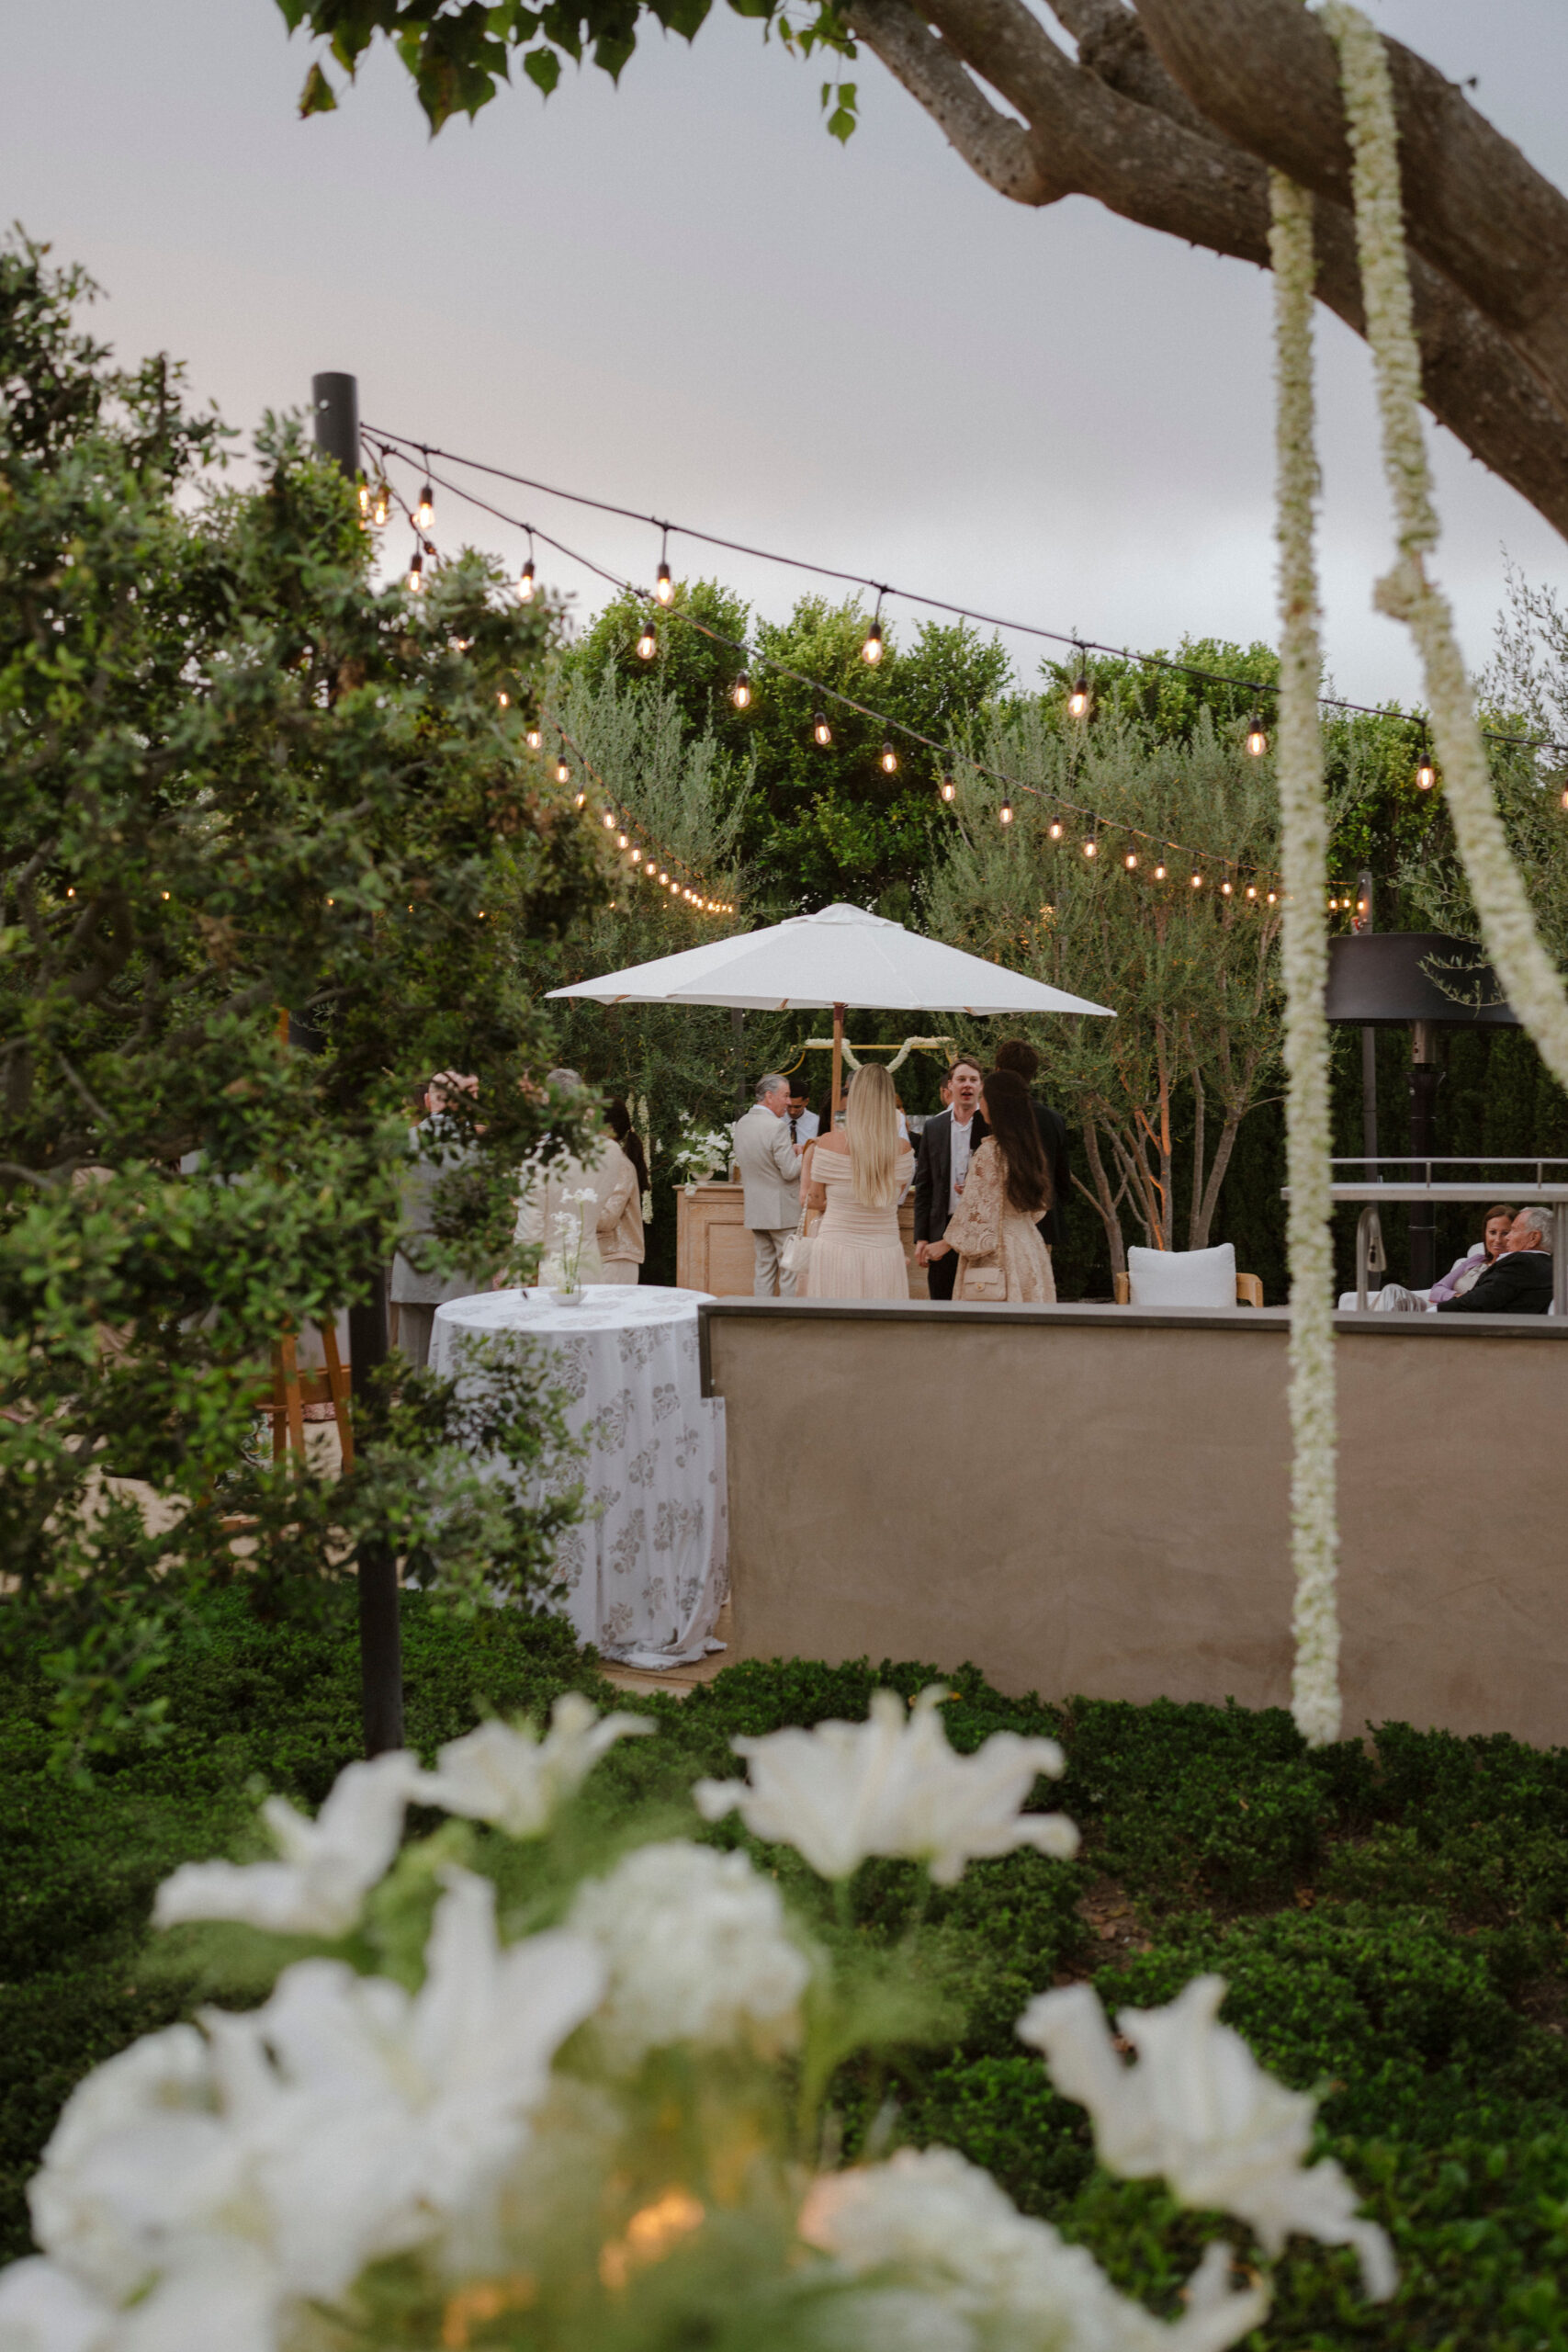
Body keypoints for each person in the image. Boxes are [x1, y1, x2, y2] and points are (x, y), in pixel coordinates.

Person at [924, 1067, 1055, 1303]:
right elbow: (1038, 1207)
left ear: (996, 1105)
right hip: (1028, 1247)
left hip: (999, 1254)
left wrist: (945, 1244)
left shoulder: (990, 1151)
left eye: (984, 1097)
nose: (980, 1102)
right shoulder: (1029, 1149)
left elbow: (979, 1211)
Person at [798, 1062, 915, 1300]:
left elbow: (815, 1199)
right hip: (885, 1250)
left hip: (836, 1247)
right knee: (880, 1329)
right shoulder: (903, 1149)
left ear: (855, 1096)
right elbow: (892, 1195)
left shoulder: (828, 1142)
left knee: (835, 1330)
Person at [514, 1070, 642, 1288]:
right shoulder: (610, 1150)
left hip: (552, 1269)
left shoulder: (540, 1155)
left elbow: (530, 1228)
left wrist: (519, 1276)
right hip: (591, 1264)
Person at [391, 1070, 484, 1368]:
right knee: (460, 1365)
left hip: (412, 1264)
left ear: (429, 1101)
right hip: (462, 1273)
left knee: (414, 1363)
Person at [912, 1053, 985, 1301]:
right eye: (961, 1079)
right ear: (950, 1086)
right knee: (941, 1304)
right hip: (942, 1231)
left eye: (973, 1080)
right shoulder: (935, 1127)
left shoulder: (990, 1126)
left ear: (980, 1087)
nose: (967, 1084)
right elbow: (925, 1185)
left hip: (978, 1231)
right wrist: (921, 1236)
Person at [991, 1038, 1071, 1256]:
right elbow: (1063, 1182)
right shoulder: (1053, 1120)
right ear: (1032, 1075)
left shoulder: (990, 1118)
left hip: (996, 1231)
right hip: (1041, 1228)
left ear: (998, 1071)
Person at [731, 1072, 805, 1297]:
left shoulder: (742, 1124)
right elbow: (790, 1172)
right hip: (783, 1211)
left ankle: (759, 1318)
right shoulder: (777, 1127)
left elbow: (763, 1161)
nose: (789, 1102)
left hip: (756, 1210)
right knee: (789, 1271)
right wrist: (806, 1153)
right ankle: (787, 1322)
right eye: (786, 1095)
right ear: (769, 1096)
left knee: (763, 1269)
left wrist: (790, 1154)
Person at [1436, 1204, 1555, 1314]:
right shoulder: (1550, 1267)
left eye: (1513, 1230)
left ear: (1533, 1238)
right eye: (1493, 1232)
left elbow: (1479, 1301)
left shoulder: (1521, 1262)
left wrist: (1432, 1313)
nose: (1507, 1237)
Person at [600, 1099, 649, 1283]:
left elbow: (607, 1219)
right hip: (606, 1257)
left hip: (616, 1258)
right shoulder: (607, 1163)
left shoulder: (620, 1165)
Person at [1429, 1204, 1514, 1304]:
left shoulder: (1512, 1269)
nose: (1497, 1240)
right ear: (1485, 1233)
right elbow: (1436, 1290)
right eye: (1492, 1232)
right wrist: (1459, 1297)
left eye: (1505, 1233)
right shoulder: (1477, 1259)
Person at [785, 1080, 820, 1148]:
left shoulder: (817, 1123)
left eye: (797, 1107)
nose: (792, 1111)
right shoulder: (776, 1119)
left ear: (806, 1102)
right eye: (789, 1106)